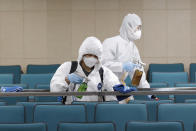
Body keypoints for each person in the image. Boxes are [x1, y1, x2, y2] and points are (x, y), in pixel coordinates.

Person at [50, 37, 135, 104]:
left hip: (95, 112)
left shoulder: (103, 72)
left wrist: (123, 92)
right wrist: (67, 79)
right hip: (72, 110)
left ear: (99, 58)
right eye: (89, 55)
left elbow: (114, 86)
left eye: (95, 56)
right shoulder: (68, 67)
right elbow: (54, 89)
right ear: (82, 55)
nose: (91, 58)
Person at [102, 14, 155, 103]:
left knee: (130, 108)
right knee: (116, 111)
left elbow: (137, 72)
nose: (139, 31)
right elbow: (103, 65)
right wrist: (122, 66)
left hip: (122, 87)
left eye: (140, 28)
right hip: (108, 87)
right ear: (128, 27)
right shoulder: (111, 42)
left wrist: (148, 91)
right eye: (137, 28)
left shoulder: (133, 47)